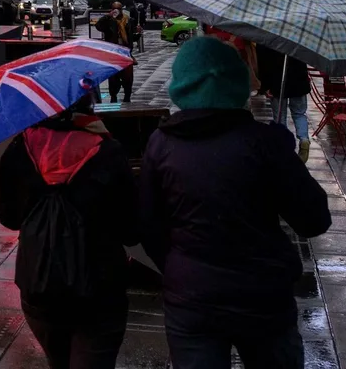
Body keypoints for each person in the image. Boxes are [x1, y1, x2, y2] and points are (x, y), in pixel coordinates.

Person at [140, 38, 331, 368]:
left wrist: (176, 265)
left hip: (191, 296)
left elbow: (146, 223)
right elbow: (313, 219)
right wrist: (284, 159)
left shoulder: (161, 144)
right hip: (263, 293)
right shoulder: (265, 143)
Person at [0, 96, 138, 369]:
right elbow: (131, 229)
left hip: (39, 286)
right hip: (100, 291)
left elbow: (9, 218)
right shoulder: (108, 151)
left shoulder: (19, 149)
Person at [257, 46, 314, 161]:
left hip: (276, 82)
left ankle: (283, 146)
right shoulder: (299, 37)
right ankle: (304, 139)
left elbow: (262, 62)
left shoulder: (268, 38)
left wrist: (265, 86)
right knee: (299, 114)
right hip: (299, 81)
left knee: (280, 116)